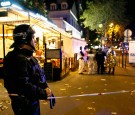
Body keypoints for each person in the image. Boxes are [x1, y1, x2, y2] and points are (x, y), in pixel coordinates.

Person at [3, 24, 55, 115]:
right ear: (26, 40)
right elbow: (23, 86)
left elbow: (36, 77)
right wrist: (43, 93)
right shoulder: (15, 59)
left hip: (32, 104)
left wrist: (47, 90)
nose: (35, 41)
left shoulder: (29, 57)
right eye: (33, 37)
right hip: (24, 107)